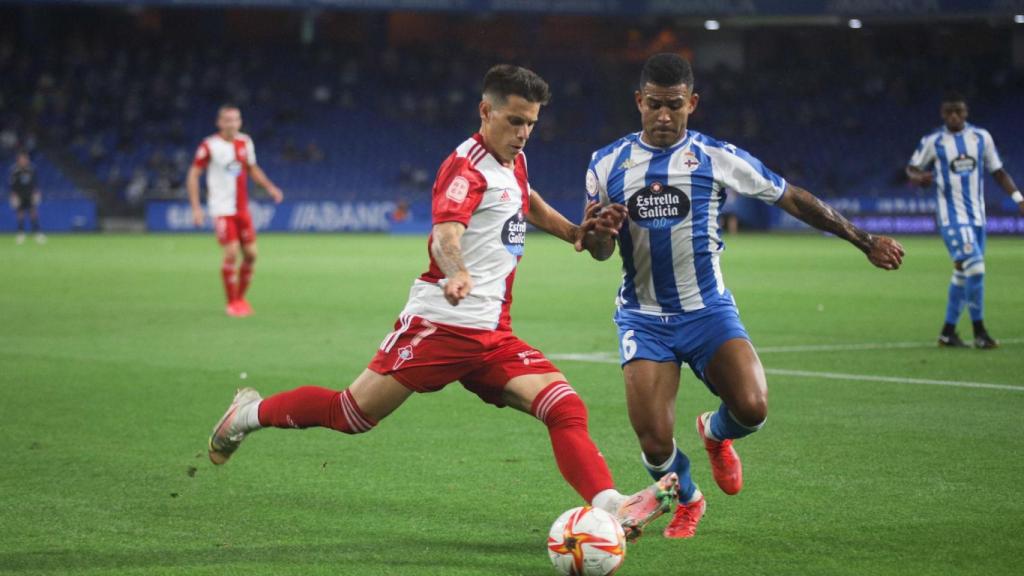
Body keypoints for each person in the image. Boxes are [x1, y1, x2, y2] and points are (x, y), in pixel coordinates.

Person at [206, 65, 677, 540]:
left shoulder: (513, 159)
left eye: (531, 122)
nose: (523, 133)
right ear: (485, 111)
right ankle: (247, 413)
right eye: (514, 121)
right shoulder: (465, 168)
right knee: (350, 415)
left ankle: (611, 505)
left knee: (564, 405)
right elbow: (444, 235)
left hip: (492, 333)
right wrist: (457, 273)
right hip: (441, 325)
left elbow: (525, 198)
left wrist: (573, 232)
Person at [579, 54, 905, 539]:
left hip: (708, 312)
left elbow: (790, 196)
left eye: (674, 106)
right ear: (638, 103)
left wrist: (864, 240)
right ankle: (689, 498)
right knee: (653, 443)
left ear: (692, 103)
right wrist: (601, 232)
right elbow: (601, 252)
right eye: (654, 106)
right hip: (643, 317)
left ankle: (714, 433)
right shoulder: (605, 165)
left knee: (753, 408)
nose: (664, 117)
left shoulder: (716, 157)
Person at [906, 91, 1022, 349]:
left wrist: (1018, 198)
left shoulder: (981, 138)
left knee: (962, 272)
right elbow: (912, 167)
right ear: (942, 114)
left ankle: (947, 333)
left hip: (978, 218)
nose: (954, 116)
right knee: (976, 268)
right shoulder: (933, 141)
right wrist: (917, 177)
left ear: (966, 112)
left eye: (959, 111)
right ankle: (980, 332)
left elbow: (998, 171)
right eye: (949, 112)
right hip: (951, 218)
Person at [187, 104, 284, 317]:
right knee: (231, 252)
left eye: (236, 119)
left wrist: (270, 187)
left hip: (242, 209)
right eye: (228, 120)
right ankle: (231, 303)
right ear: (220, 122)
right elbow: (193, 175)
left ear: (240, 122)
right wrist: (196, 208)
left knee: (251, 255)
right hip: (222, 209)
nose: (232, 124)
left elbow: (252, 168)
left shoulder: (245, 142)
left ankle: (240, 298)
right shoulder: (209, 146)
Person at [8, 152, 44, 244]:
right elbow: (12, 184)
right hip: (19, 195)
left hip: (30, 194)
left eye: (25, 159)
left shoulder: (31, 169)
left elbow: (35, 182)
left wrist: (36, 192)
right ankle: (21, 233)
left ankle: (36, 233)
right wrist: (13, 195)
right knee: (20, 213)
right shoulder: (14, 170)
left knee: (33, 212)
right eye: (22, 159)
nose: (24, 161)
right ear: (18, 160)